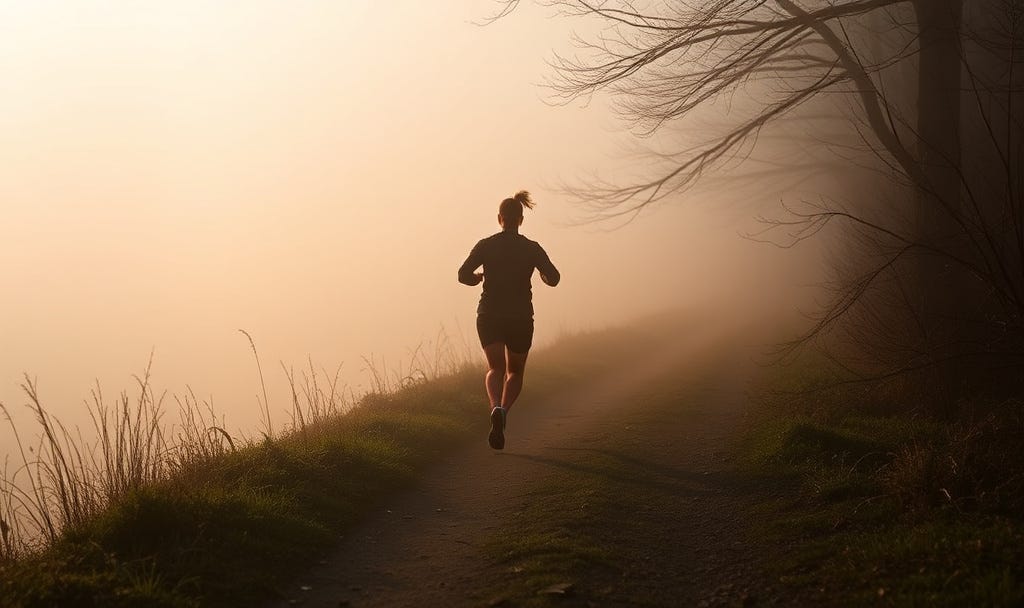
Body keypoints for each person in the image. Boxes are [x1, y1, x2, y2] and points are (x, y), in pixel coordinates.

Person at [458, 190, 560, 450]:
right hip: (520, 316)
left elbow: (463, 274)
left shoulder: (485, 245)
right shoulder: (531, 248)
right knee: (515, 371)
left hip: (489, 314)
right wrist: (543, 277)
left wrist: (478, 278)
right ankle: (503, 411)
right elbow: (554, 277)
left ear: (500, 218)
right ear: (521, 220)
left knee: (495, 369)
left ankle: (494, 406)